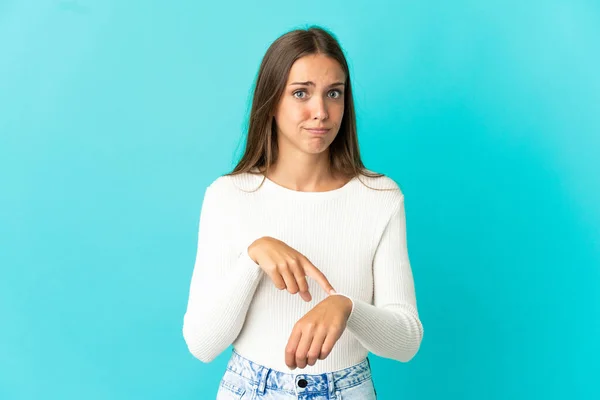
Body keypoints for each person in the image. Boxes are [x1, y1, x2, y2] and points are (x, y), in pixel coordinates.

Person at [182, 25, 424, 399]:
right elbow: (202, 344)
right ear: (272, 102)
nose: (321, 112)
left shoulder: (379, 196)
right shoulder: (228, 196)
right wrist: (254, 257)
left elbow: (406, 341)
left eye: (334, 93)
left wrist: (347, 308)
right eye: (301, 93)